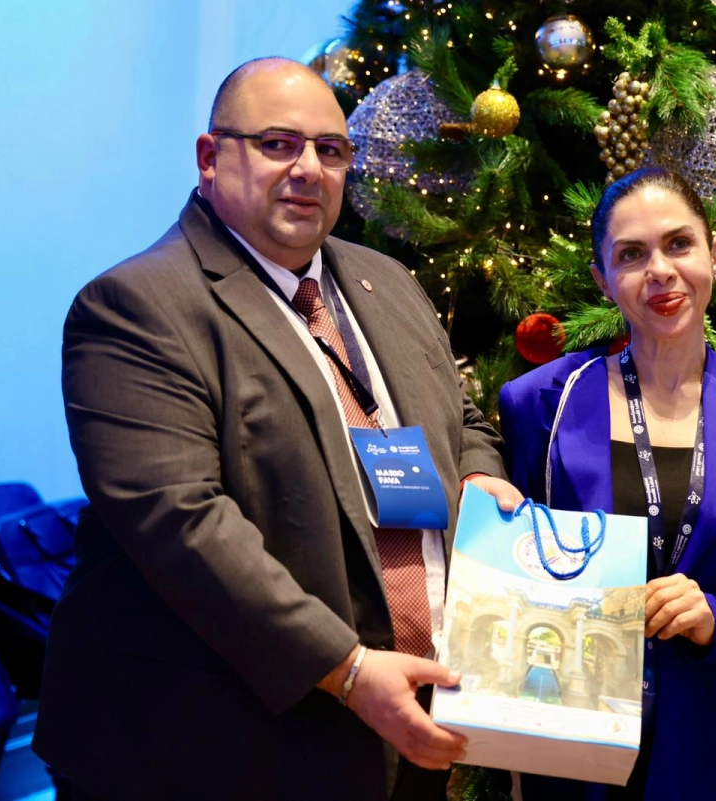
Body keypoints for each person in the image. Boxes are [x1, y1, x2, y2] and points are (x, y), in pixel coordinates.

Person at [33, 57, 522, 801]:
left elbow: (462, 414)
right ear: (210, 157)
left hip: (407, 729)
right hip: (218, 750)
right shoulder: (136, 306)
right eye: (277, 144)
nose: (308, 169)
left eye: (330, 150)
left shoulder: (386, 280)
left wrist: (480, 470)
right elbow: (182, 525)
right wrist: (349, 670)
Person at [498, 167, 716, 800]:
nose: (659, 270)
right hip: (576, 750)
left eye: (679, 244)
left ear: (714, 254)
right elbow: (512, 572)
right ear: (603, 280)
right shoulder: (540, 403)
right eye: (631, 255)